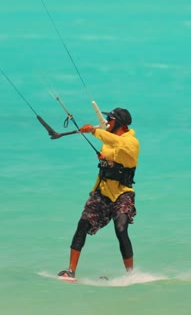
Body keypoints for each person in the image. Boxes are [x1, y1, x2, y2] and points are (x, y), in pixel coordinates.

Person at [57, 108, 140, 279]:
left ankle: (130, 275)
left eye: (110, 118)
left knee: (121, 229)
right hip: (102, 192)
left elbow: (117, 143)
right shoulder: (108, 139)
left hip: (122, 194)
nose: (107, 120)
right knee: (82, 225)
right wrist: (105, 160)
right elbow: (111, 151)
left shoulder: (132, 142)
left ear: (120, 124)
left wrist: (95, 131)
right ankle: (71, 271)